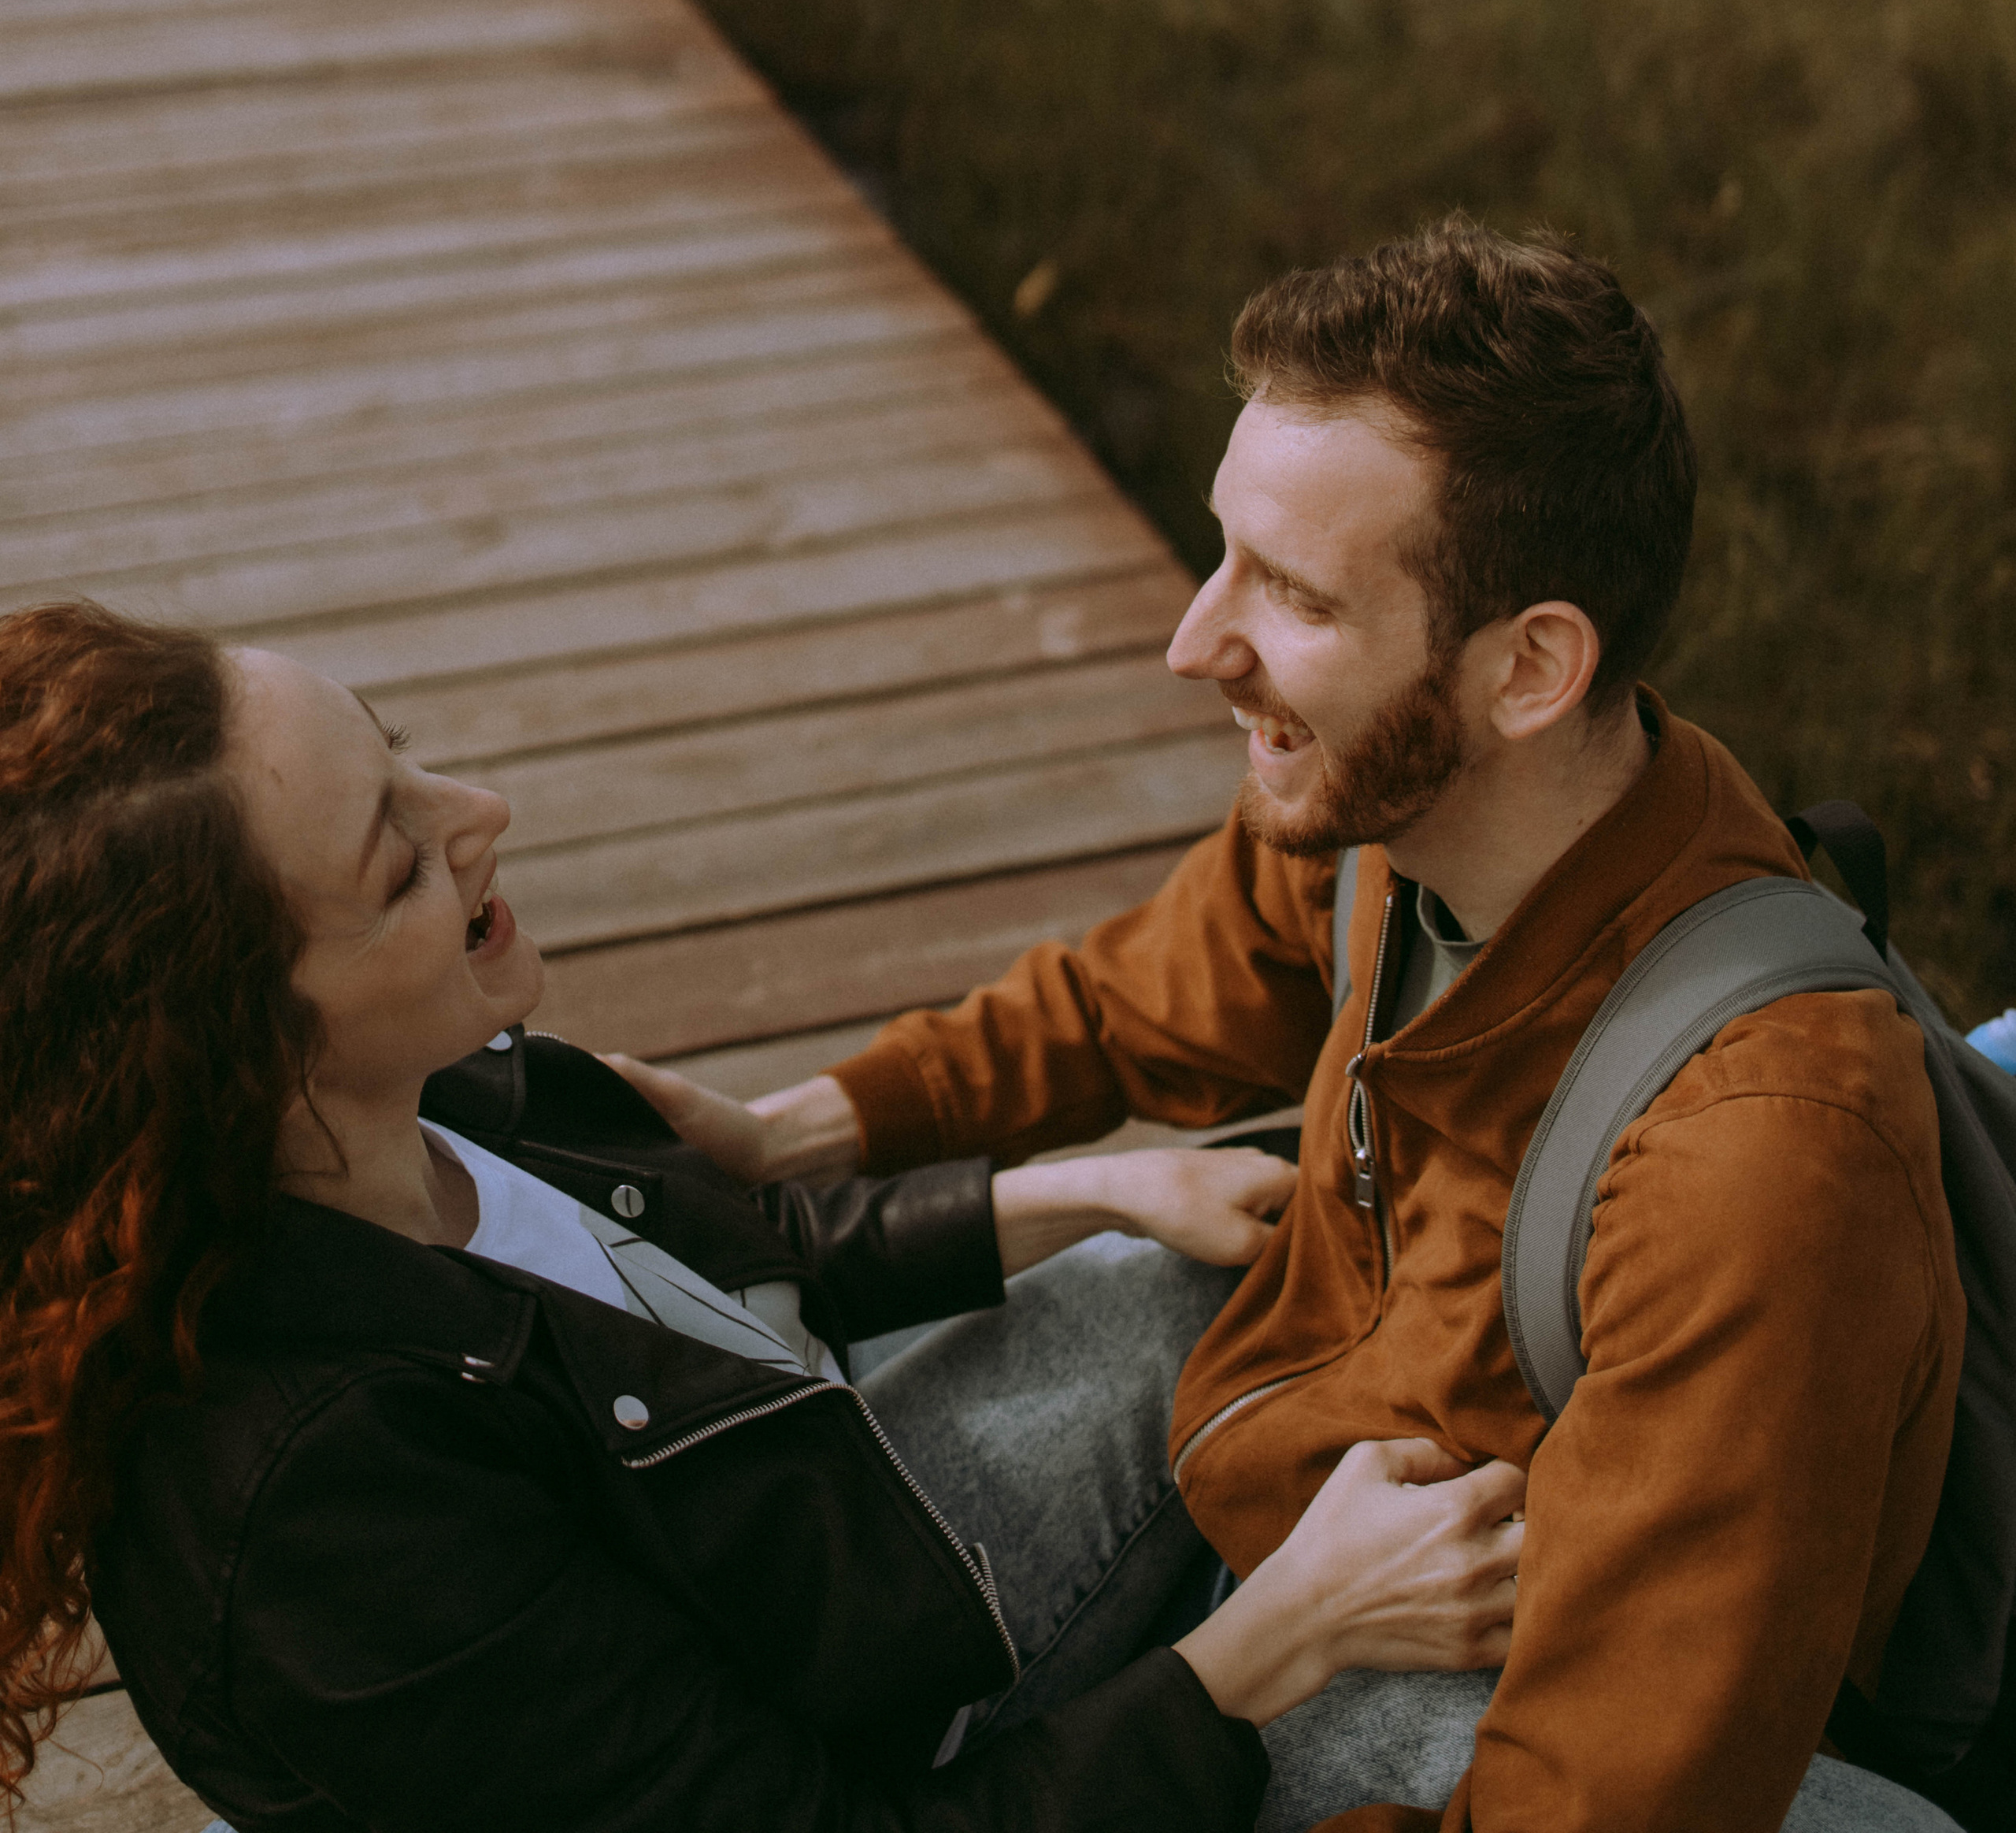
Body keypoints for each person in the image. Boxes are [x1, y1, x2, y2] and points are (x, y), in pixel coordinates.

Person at [628, 222, 1966, 1833]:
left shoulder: (1754, 1164)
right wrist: (805, 1129)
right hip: (1311, 1505)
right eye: (1216, 551)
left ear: (1527, 666)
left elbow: (1609, 1798)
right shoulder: (1396, 830)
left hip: (1514, 1675)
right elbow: (1134, 996)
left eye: (1292, 596)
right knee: (1079, 1315)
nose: (1193, 643)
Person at [0, 597, 1534, 1833]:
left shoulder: (427, 1100)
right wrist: (1285, 1640)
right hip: (872, 1756)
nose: (482, 808)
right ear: (239, 1053)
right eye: (400, 859)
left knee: (1214, 1265)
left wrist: (1078, 1190)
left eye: (399, 753)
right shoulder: (323, 1512)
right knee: (1444, 1737)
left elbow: (717, 1286)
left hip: (832, 1577)